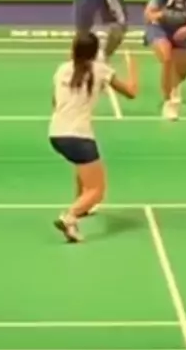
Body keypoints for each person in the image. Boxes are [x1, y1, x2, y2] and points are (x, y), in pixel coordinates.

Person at [49, 31, 138, 243]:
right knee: (97, 190)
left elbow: (55, 102)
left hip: (56, 133)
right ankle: (69, 217)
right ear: (95, 51)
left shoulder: (62, 69)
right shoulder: (100, 69)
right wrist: (133, 66)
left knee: (82, 167)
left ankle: (81, 207)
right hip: (79, 136)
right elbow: (131, 92)